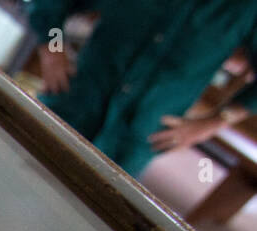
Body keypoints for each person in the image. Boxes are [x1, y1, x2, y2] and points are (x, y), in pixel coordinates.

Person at [25, 0, 257, 177]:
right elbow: (50, 4)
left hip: (138, 136)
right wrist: (52, 47)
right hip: (76, 98)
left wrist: (215, 122)